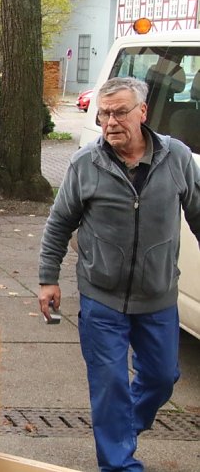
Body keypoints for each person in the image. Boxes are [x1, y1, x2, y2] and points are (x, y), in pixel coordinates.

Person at [39, 76, 200, 471]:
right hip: (101, 297)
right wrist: (48, 278)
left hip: (158, 296)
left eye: (120, 112)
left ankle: (124, 428)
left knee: (163, 377)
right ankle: (119, 463)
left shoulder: (176, 158)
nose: (110, 121)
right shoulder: (85, 164)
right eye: (104, 113)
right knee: (110, 386)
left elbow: (198, 213)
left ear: (142, 112)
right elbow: (59, 223)